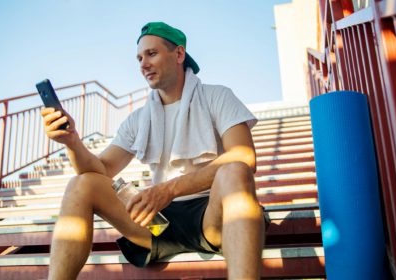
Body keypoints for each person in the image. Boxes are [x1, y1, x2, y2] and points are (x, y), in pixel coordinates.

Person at [41, 22, 264, 280]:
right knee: (81, 183)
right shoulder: (138, 119)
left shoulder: (218, 97)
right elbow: (100, 170)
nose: (143, 64)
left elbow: (245, 156)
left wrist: (168, 189)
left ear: (179, 54)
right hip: (157, 225)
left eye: (152, 54)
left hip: (211, 216)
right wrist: (72, 141)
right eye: (139, 58)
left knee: (235, 169)